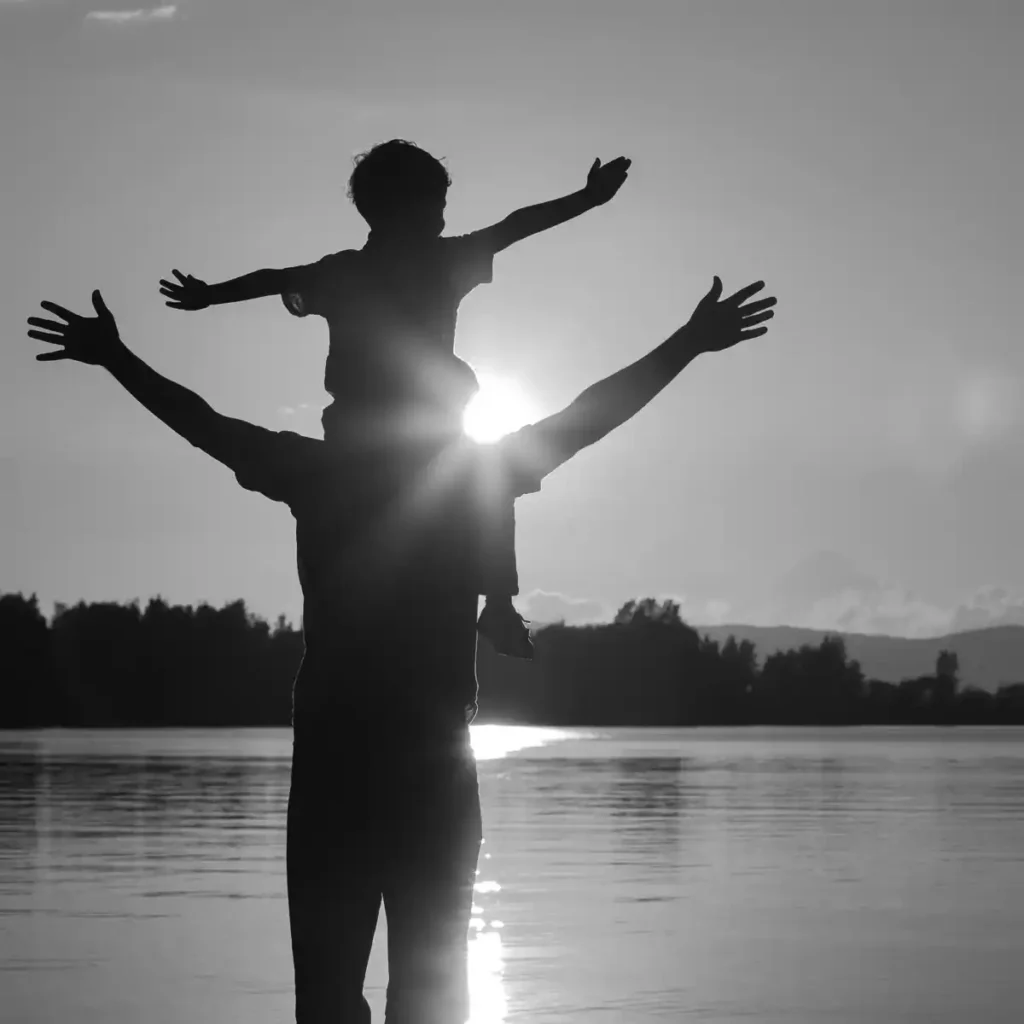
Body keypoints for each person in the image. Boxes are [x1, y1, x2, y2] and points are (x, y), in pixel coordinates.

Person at [27, 275, 775, 1024]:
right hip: (427, 759)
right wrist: (686, 344)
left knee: (334, 995)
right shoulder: (469, 475)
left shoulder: (317, 473)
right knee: (426, 995)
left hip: (341, 756)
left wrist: (117, 358)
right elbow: (587, 418)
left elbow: (202, 423)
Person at [157, 139, 633, 660]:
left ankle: (495, 605)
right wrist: (586, 200)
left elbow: (276, 279)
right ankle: (497, 603)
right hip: (401, 435)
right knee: (489, 474)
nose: (443, 218)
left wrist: (211, 294)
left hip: (374, 434)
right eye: (437, 206)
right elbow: (514, 226)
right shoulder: (440, 260)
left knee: (486, 472)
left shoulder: (343, 272)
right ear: (408, 207)